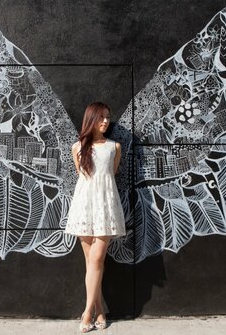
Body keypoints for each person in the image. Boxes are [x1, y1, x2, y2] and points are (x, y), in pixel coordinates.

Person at [64, 101, 127, 333]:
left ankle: (87, 312)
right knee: (91, 263)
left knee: (97, 259)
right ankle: (100, 310)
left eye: (107, 117)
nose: (105, 121)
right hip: (84, 206)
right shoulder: (77, 147)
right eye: (100, 117)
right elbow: (83, 178)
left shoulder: (114, 147)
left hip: (106, 206)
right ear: (91, 119)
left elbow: (111, 175)